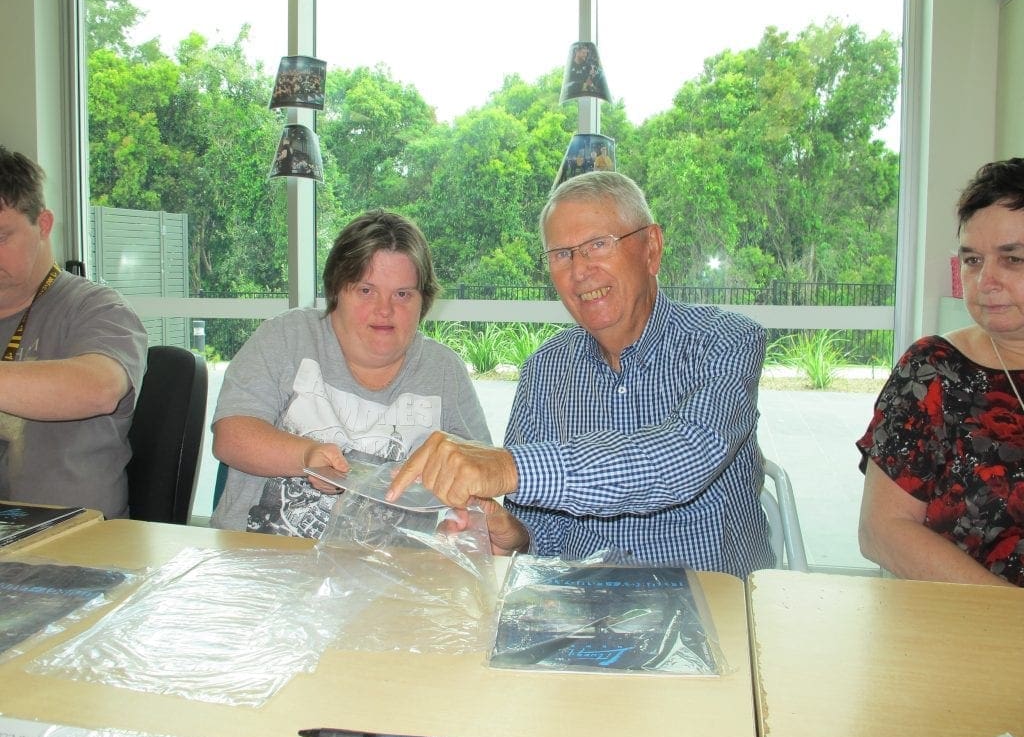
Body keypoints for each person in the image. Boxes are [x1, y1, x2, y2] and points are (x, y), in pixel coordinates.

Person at [389, 171, 774, 576]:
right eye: (561, 254)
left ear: (651, 249)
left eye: (598, 245)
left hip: (711, 603)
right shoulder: (544, 370)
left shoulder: (727, 340)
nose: (579, 270)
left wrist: (507, 467)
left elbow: (684, 457)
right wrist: (512, 534)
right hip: (584, 611)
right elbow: (542, 528)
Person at [210, 210, 491, 538]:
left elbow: (482, 475)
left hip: (390, 576)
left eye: (403, 294)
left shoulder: (443, 371)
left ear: (423, 301)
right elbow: (230, 437)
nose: (384, 309)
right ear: (336, 291)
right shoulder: (286, 336)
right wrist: (306, 455)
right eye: (366, 291)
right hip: (258, 561)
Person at [857, 157, 1024, 587]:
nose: (986, 280)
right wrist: (1007, 611)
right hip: (972, 625)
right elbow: (882, 530)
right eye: (972, 260)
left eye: (1013, 260)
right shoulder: (933, 371)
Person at [0, 146, 147, 518]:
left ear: (44, 225)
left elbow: (98, 390)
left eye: (1, 237)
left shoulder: (97, 309)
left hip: (69, 548)